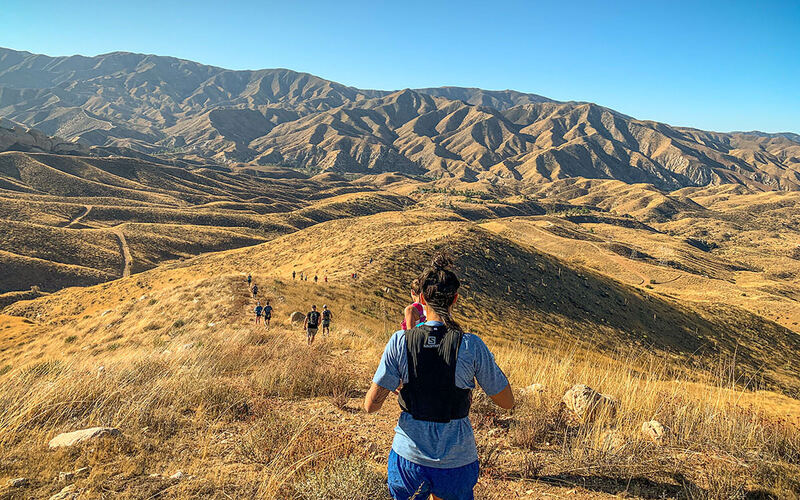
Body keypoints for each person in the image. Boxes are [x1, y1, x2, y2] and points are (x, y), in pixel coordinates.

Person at [364, 253, 514, 500]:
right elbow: (507, 402)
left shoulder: (400, 341)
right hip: (457, 461)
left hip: (408, 459)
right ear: (455, 299)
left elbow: (370, 406)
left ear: (421, 299)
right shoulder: (472, 345)